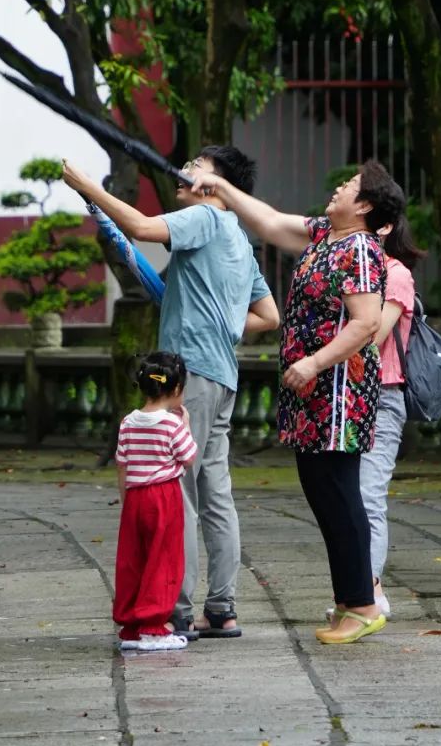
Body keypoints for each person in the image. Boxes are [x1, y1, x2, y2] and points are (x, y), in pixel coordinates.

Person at [61, 146, 280, 641]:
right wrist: (221, 323)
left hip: (192, 378)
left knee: (176, 489)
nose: (184, 172)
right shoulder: (241, 243)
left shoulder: (206, 215)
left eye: (197, 167)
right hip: (221, 377)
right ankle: (221, 608)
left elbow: (141, 227)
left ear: (219, 185)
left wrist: (89, 188)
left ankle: (175, 608)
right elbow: (269, 317)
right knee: (215, 494)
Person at [187, 156, 408, 646]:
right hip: (311, 394)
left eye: (349, 185)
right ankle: (349, 600)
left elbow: (366, 324)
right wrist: (221, 185)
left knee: (342, 493)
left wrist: (313, 363)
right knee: (321, 491)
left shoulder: (361, 251)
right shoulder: (321, 235)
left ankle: (364, 603)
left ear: (365, 205)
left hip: (337, 390)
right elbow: (266, 220)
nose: (338, 188)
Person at [356, 202, 419, 619]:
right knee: (349, 499)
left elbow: (374, 333)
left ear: (385, 228)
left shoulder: (396, 275)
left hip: (383, 396)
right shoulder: (356, 269)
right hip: (352, 396)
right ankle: (357, 590)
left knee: (368, 496)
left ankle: (371, 591)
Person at [113, 350, 197, 651]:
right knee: (164, 560)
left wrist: (126, 500)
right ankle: (153, 627)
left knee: (133, 560)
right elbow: (188, 458)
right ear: (176, 389)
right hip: (163, 495)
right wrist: (185, 424)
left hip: (135, 496)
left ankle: (131, 627)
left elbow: (122, 464)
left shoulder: (128, 422)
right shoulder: (172, 424)